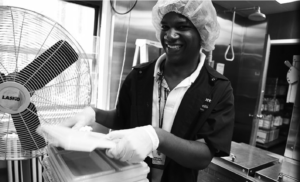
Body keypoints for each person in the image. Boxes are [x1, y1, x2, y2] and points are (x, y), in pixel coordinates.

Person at [39, 0, 234, 181]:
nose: (170, 35)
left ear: (202, 33)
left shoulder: (217, 88)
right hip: (133, 175)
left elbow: (203, 156)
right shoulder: (140, 76)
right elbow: (123, 118)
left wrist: (157, 137)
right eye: (165, 27)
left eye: (182, 27)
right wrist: (93, 113)